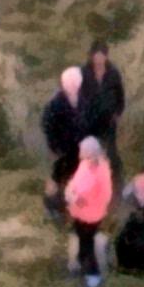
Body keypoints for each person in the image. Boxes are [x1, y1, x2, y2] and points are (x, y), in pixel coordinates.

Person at [63, 135, 113, 287]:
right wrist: (71, 191)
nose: (80, 153)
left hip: (91, 215)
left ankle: (93, 275)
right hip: (80, 212)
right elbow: (75, 182)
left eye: (82, 150)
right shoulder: (86, 164)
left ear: (91, 152)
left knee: (87, 241)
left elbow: (98, 194)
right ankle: (81, 261)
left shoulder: (99, 170)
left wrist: (76, 197)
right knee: (81, 236)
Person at [37, 65, 89, 214]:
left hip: (77, 146)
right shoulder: (56, 103)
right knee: (57, 175)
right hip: (61, 147)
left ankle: (66, 204)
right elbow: (46, 124)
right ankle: (49, 206)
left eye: (75, 82)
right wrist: (54, 145)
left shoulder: (82, 100)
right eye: (69, 83)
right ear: (64, 84)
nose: (73, 85)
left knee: (74, 175)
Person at [80, 41, 126, 168]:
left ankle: (115, 176)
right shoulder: (84, 73)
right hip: (90, 120)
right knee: (91, 152)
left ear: (106, 57)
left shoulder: (113, 73)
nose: (99, 60)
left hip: (109, 119)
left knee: (111, 151)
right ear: (92, 56)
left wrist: (118, 113)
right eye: (96, 56)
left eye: (102, 56)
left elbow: (120, 95)